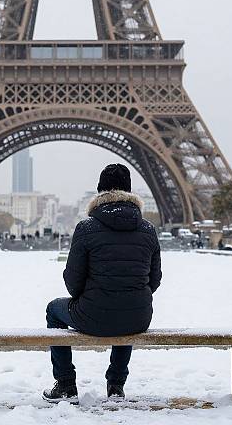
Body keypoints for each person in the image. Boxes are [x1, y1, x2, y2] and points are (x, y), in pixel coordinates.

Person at [43, 164, 162, 404]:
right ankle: (116, 385)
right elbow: (154, 280)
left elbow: (73, 283)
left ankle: (65, 383)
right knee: (127, 307)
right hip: (138, 317)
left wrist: (89, 295)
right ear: (130, 192)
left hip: (93, 314)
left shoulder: (86, 228)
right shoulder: (148, 229)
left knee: (53, 310)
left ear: (100, 192)